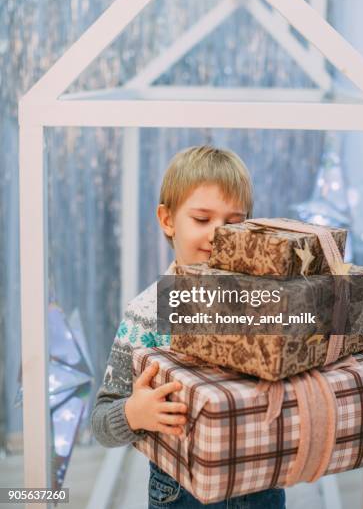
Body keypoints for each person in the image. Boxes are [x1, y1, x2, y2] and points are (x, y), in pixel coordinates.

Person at [91, 145, 286, 508]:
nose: (218, 235)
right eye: (201, 219)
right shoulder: (147, 313)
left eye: (233, 223)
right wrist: (135, 413)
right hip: (180, 492)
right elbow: (102, 419)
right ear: (167, 220)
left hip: (261, 486)